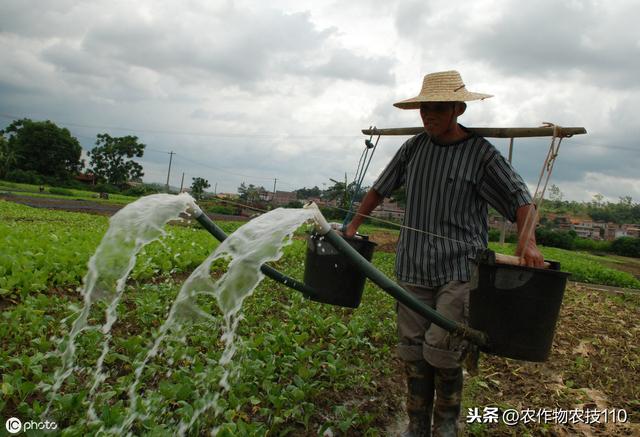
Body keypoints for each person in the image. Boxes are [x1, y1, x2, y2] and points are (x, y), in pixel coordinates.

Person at [344, 71, 544, 437]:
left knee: (443, 347)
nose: (428, 116)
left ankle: (446, 424)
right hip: (413, 265)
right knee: (413, 349)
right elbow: (379, 189)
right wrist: (352, 226)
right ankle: (417, 423)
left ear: (457, 108)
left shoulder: (481, 154)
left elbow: (521, 199)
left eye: (437, 108)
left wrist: (527, 242)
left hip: (459, 270)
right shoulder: (414, 148)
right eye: (424, 109)